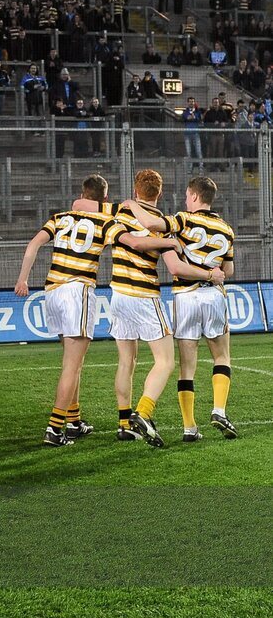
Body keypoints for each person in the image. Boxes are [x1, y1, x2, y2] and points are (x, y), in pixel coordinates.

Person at [13, 174, 176, 447]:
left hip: (52, 290)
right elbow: (134, 242)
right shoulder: (109, 220)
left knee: (80, 362)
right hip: (83, 291)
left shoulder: (60, 216)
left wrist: (22, 278)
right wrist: (169, 242)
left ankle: (75, 421)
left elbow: (34, 244)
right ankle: (55, 429)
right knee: (73, 366)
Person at [108, 170, 226, 449]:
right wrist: (207, 272)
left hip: (117, 293)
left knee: (126, 362)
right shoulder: (162, 225)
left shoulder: (119, 215)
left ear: (136, 190)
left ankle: (125, 424)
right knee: (166, 361)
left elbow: (84, 207)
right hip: (144, 294)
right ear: (159, 193)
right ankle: (143, 413)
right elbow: (174, 266)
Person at [182, 96, 203, 163]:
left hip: (196, 133)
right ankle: (189, 170)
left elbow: (200, 120)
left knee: (198, 151)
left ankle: (201, 169)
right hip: (187, 134)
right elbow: (184, 118)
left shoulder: (198, 111)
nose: (191, 103)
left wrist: (194, 118)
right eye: (190, 102)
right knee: (188, 152)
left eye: (193, 101)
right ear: (188, 103)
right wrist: (190, 118)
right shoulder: (185, 111)